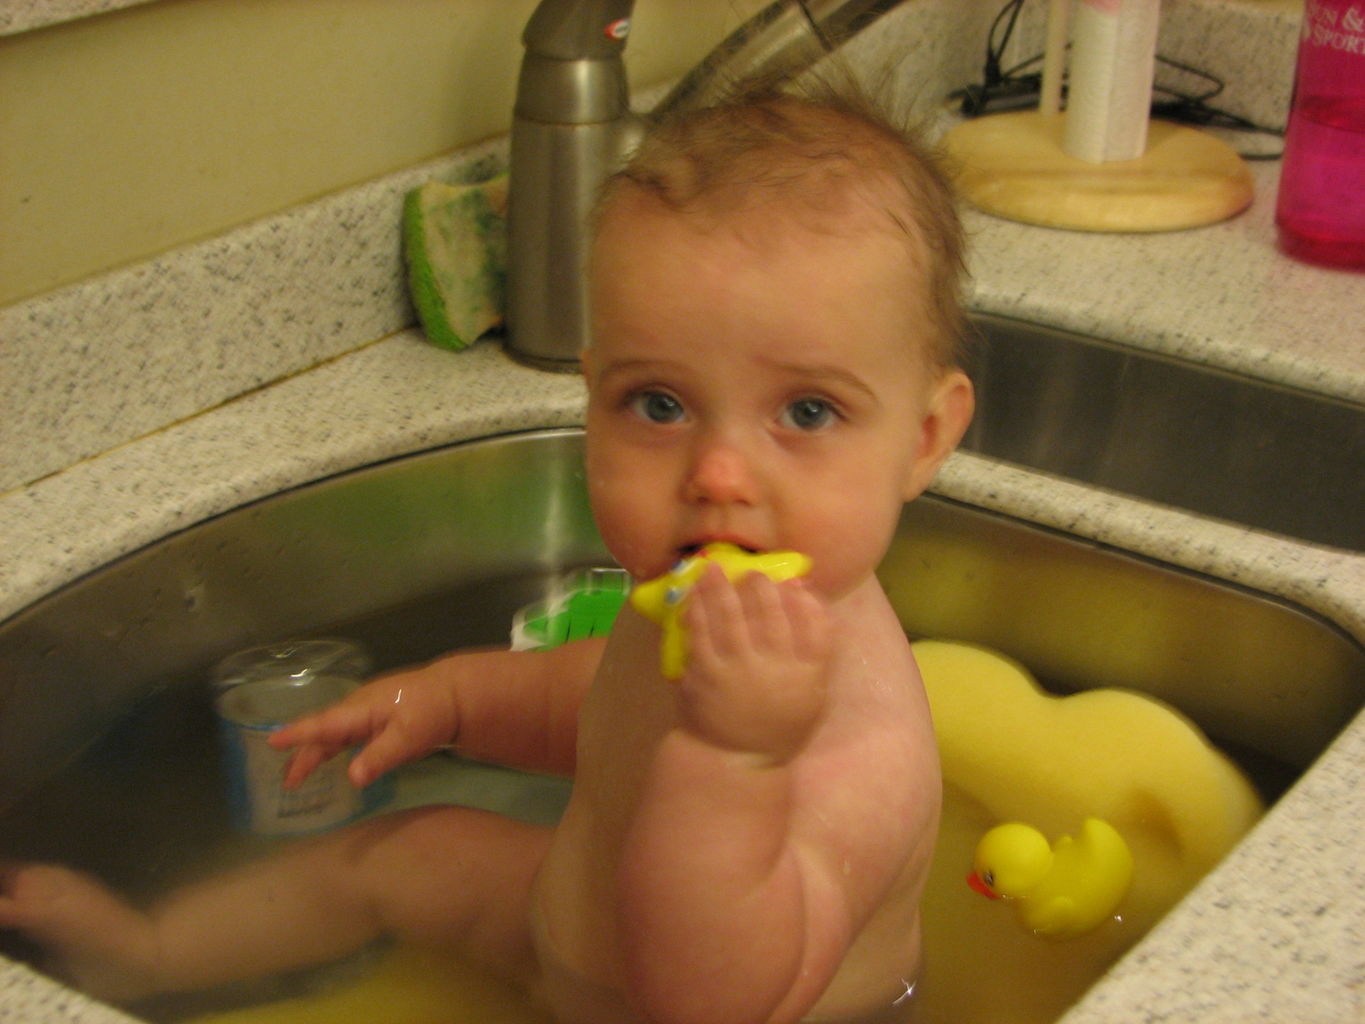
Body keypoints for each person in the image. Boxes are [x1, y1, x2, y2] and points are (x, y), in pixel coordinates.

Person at [0, 83, 974, 1024]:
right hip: (566, 942)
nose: (717, 474)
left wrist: (738, 761)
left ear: (926, 438)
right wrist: (450, 701)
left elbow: (709, 1001)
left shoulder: (860, 748)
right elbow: (602, 706)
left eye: (808, 411)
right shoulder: (697, 598)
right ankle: (155, 951)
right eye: (658, 404)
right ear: (592, 394)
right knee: (400, 851)